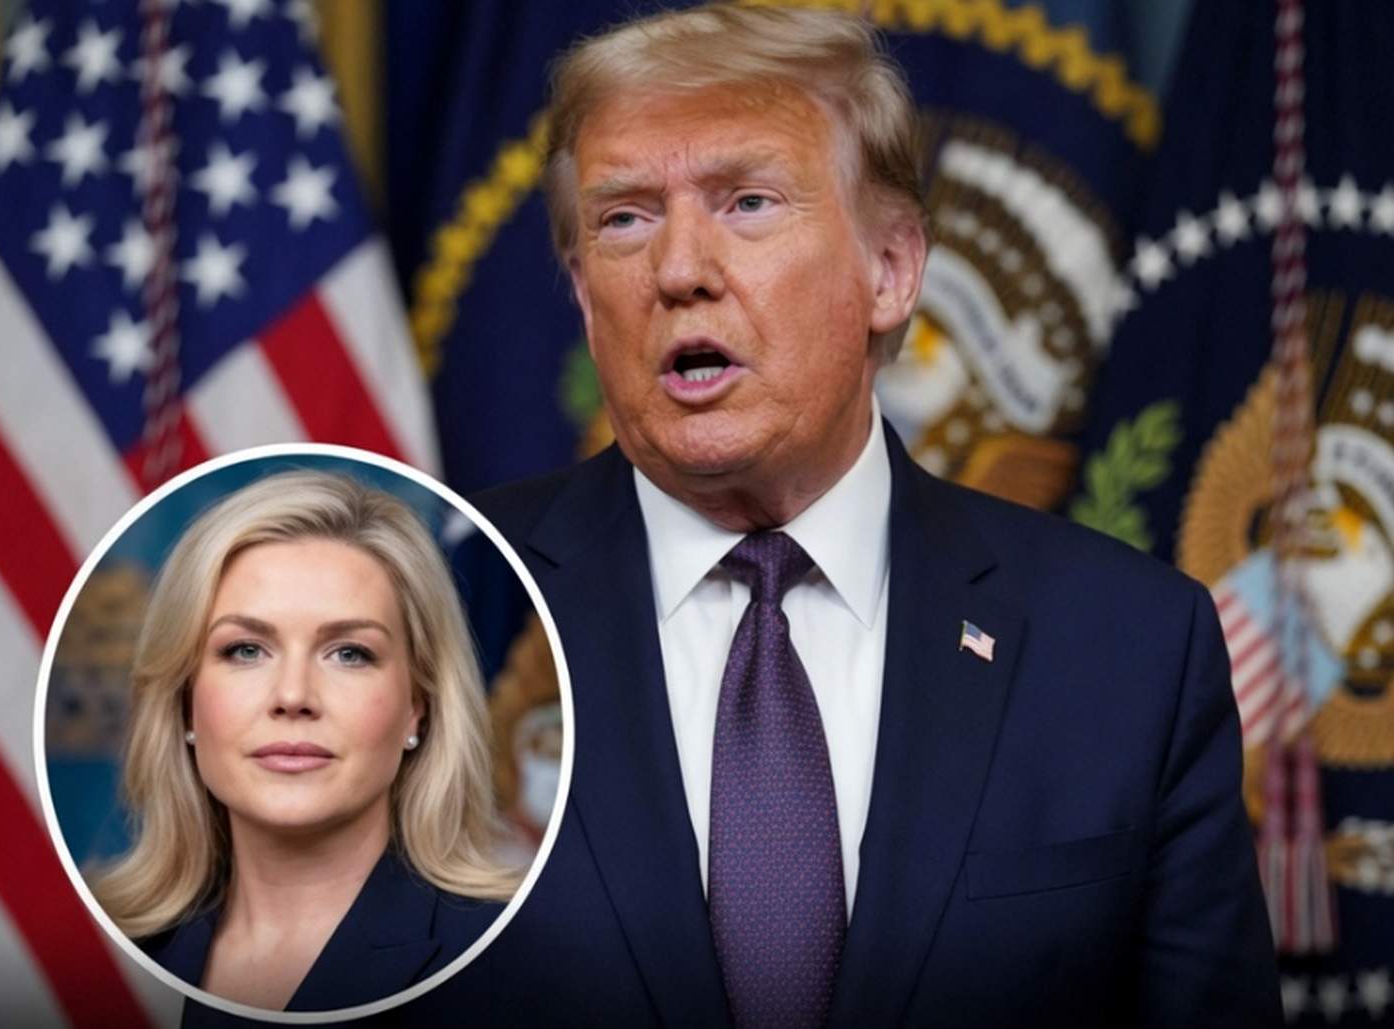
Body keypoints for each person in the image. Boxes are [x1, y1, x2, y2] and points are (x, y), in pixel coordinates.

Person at [448, 4, 1284, 1027]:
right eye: (624, 218)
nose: (677, 269)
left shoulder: (1131, 645)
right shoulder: (425, 603)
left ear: (889, 270)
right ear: (584, 298)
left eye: (747, 202)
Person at [91, 469, 520, 1014]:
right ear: (184, 700)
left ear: (417, 707)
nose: (293, 696)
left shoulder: (522, 963)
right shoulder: (94, 959)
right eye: (246, 650)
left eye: (349, 653)